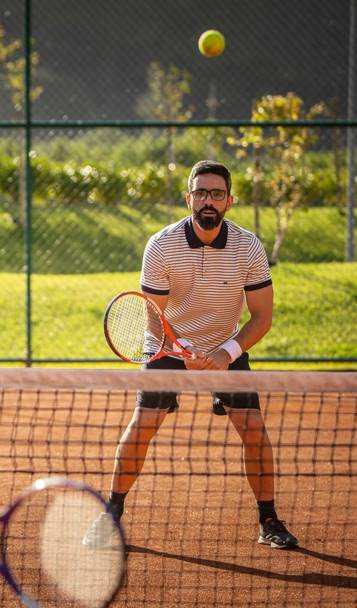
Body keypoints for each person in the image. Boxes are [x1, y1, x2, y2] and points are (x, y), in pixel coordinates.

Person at [85, 159, 298, 550]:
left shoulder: (248, 246)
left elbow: (262, 318)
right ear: (189, 199)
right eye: (201, 193)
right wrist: (181, 352)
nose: (208, 201)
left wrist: (225, 353)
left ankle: (269, 520)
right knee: (144, 423)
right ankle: (110, 514)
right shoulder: (162, 245)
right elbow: (153, 316)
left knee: (254, 429)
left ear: (229, 201)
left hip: (225, 347)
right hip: (168, 345)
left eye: (217, 194)